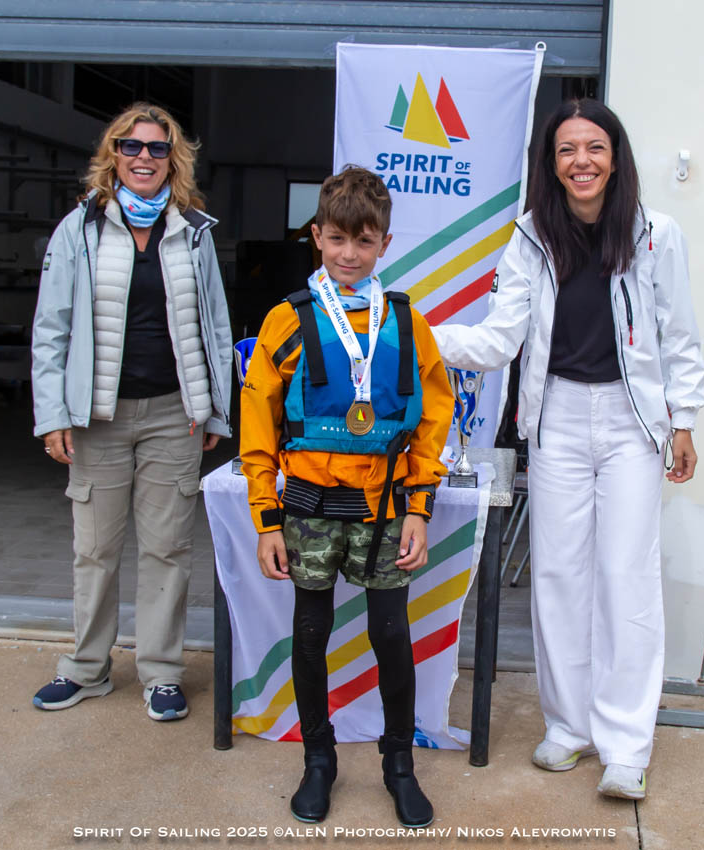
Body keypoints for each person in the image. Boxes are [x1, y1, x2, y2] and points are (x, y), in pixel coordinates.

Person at [432, 99, 704, 800]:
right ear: (551, 165)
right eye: (566, 150)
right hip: (555, 418)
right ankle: (568, 726)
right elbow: (499, 340)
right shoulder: (530, 237)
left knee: (625, 576)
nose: (580, 161)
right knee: (558, 575)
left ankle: (625, 746)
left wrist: (683, 420)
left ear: (614, 157)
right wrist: (413, 333)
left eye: (593, 147)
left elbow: (678, 336)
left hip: (631, 423)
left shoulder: (655, 234)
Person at [240, 167, 453, 826]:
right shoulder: (286, 321)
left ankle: (399, 765)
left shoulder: (407, 322)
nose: (349, 254)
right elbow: (257, 424)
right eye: (336, 239)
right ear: (316, 236)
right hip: (307, 508)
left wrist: (418, 508)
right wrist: (266, 520)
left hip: (385, 510)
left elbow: (432, 419)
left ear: (384, 243)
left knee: (391, 634)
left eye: (363, 241)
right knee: (311, 633)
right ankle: (318, 761)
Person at [29, 102, 232, 721]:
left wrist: (215, 410)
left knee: (168, 549)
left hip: (175, 414)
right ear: (113, 155)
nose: (144, 157)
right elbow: (51, 328)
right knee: (95, 549)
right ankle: (86, 668)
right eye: (132, 146)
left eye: (157, 148)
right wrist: (51, 414)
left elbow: (216, 327)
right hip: (99, 418)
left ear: (174, 160)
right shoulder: (80, 230)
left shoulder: (193, 232)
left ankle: (162, 672)